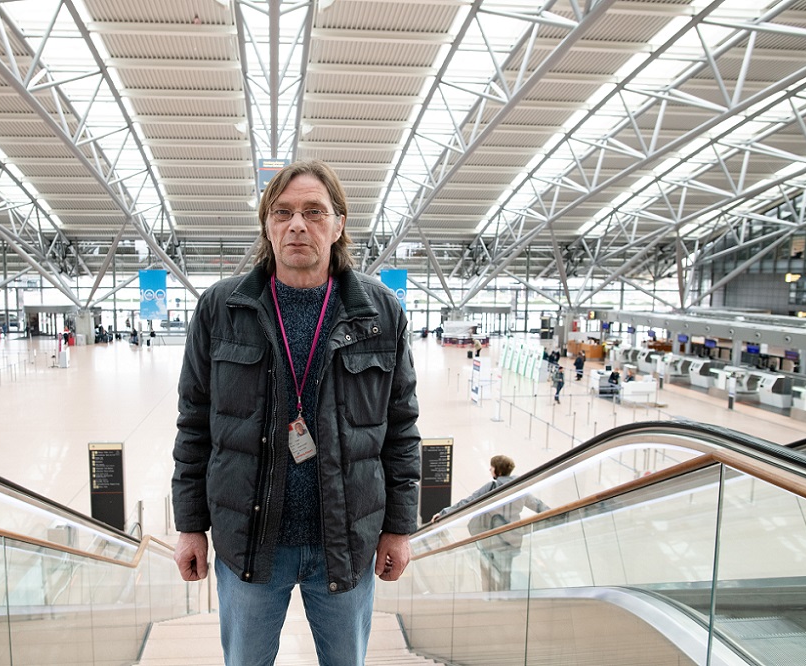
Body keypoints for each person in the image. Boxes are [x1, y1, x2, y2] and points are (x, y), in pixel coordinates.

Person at [171, 159, 421, 666]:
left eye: (314, 211)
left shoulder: (380, 313)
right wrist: (190, 525)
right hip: (250, 547)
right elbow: (194, 423)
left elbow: (401, 428)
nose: (297, 225)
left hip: (344, 544)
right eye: (282, 212)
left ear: (339, 223)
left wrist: (398, 527)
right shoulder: (221, 309)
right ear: (267, 224)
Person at [433, 455, 549, 590]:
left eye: (492, 467)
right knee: (506, 569)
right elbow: (538, 505)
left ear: (498, 471)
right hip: (513, 537)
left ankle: (488, 595)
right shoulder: (520, 488)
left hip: (490, 536)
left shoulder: (492, 486)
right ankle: (504, 594)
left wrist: (444, 514)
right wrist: (561, 514)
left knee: (486, 566)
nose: (490, 469)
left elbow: (468, 502)